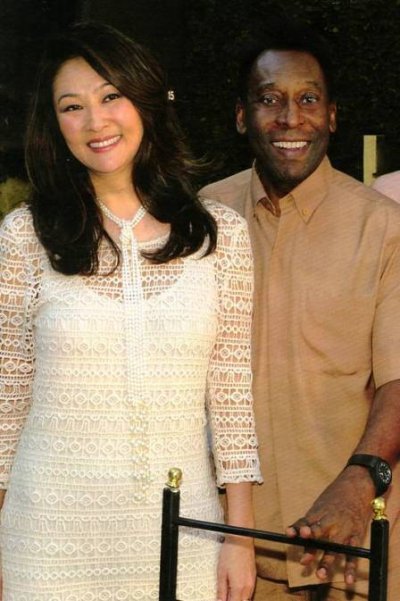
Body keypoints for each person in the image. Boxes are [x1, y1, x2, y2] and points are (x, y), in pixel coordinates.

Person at [0, 21, 263, 601]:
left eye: (110, 96)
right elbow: (6, 399)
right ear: (54, 125)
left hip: (183, 531)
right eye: (72, 106)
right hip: (45, 535)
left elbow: (231, 397)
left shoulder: (222, 236)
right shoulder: (22, 237)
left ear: (145, 99)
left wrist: (239, 535)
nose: (95, 121)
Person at [200, 19, 400, 601]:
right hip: (231, 548)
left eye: (308, 99)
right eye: (270, 100)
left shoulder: (383, 228)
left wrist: (360, 482)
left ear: (332, 116)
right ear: (242, 116)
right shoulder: (204, 218)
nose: (291, 118)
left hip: (353, 551)